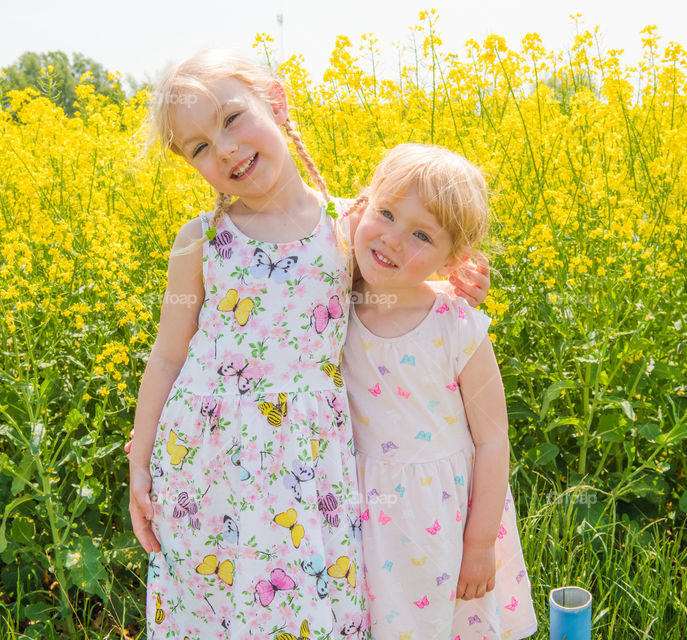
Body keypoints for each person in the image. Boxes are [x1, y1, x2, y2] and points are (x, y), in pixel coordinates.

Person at [127, 51, 490, 639]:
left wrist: (455, 281)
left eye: (231, 119)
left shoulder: (346, 227)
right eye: (197, 147)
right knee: (213, 606)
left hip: (307, 463)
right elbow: (168, 353)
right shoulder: (197, 241)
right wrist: (141, 460)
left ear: (277, 103)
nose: (222, 149)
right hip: (203, 462)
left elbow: (400, 282)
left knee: (305, 609)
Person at [342, 144, 537, 639]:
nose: (392, 239)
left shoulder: (458, 325)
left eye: (422, 235)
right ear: (361, 207)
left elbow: (494, 440)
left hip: (446, 516)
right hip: (365, 512)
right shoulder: (332, 302)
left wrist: (478, 545)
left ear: (454, 258)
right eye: (385, 213)